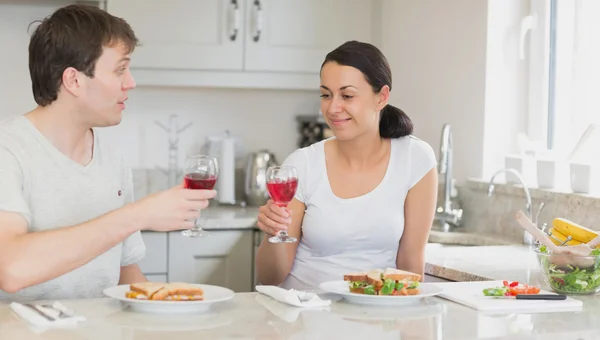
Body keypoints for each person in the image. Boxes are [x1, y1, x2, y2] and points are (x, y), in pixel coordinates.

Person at [0, 5, 215, 301]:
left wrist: (174, 307)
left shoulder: (112, 157)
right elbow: (12, 269)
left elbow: (125, 272)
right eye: (119, 69)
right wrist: (139, 215)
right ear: (74, 80)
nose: (131, 82)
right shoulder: (8, 149)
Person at [255, 41, 438, 290]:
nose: (332, 108)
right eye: (326, 95)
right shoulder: (302, 164)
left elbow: (409, 264)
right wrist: (272, 233)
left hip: (376, 319)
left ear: (381, 97)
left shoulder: (415, 159)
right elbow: (270, 277)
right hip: (305, 316)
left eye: (347, 95)